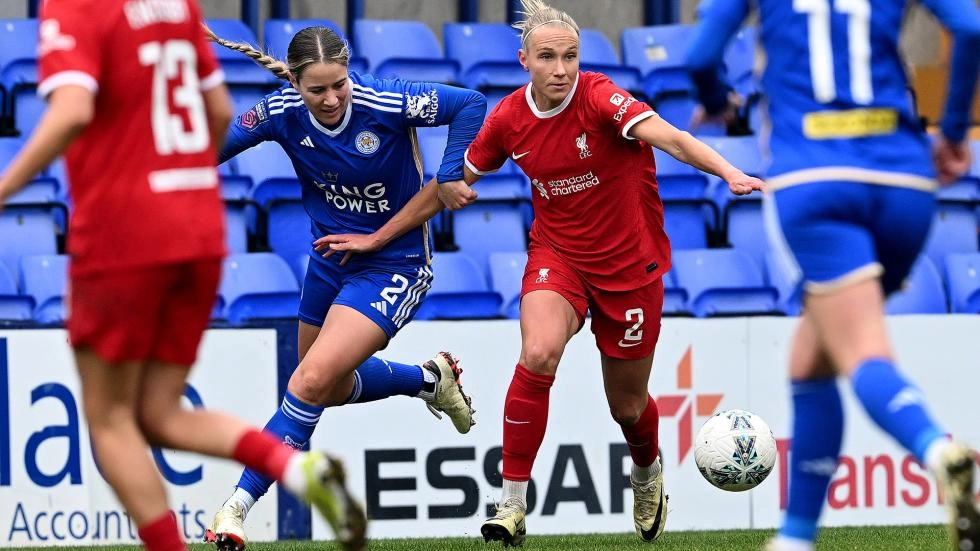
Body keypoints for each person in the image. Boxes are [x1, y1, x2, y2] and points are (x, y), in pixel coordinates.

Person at [0, 1, 366, 551]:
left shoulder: (76, 7)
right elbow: (217, 109)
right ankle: (293, 470)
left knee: (108, 421)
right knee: (159, 414)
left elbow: (72, 111)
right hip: (198, 226)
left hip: (123, 230)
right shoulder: (175, 5)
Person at [423, 0, 765, 545]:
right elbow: (447, 183)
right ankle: (511, 503)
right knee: (537, 354)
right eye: (548, 57)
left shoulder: (602, 97)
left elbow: (673, 138)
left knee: (627, 407)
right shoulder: (510, 118)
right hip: (557, 257)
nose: (561, 69)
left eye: (571, 57)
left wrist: (729, 171)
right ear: (524, 61)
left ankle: (647, 472)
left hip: (629, 268)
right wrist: (380, 233)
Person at [685, 0, 980, 550]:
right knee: (810, 359)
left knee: (862, 351)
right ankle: (795, 537)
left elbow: (700, 55)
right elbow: (970, 27)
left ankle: (940, 452)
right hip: (905, 186)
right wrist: (957, 130)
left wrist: (718, 103)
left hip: (816, 181)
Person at [201, 25, 485, 550]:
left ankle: (235, 507)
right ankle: (428, 379)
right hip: (331, 259)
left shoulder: (390, 100)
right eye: (317, 90)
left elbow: (470, 102)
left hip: (393, 264)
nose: (331, 99)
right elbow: (209, 149)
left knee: (308, 381)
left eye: (340, 85)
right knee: (323, 386)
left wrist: (449, 173)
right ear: (296, 83)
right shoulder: (280, 110)